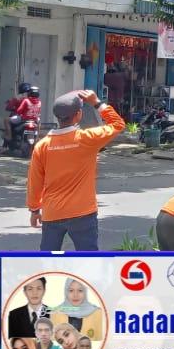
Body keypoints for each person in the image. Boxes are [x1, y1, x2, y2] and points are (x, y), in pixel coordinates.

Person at [26, 90, 125, 251]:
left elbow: (35, 181)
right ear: (78, 114)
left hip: (52, 213)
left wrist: (34, 209)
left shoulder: (42, 146)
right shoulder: (87, 139)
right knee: (88, 260)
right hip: (83, 212)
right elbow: (118, 124)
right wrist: (97, 103)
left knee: (50, 259)